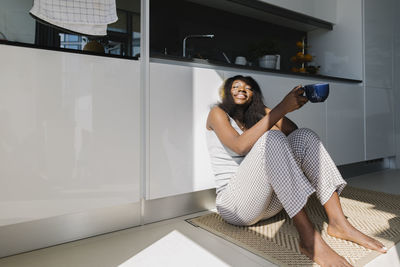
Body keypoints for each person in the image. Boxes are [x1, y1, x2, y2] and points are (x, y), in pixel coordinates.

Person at [205, 75, 387, 267]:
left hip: (268, 206)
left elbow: (293, 132)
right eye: (236, 86)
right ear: (226, 92)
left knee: (305, 136)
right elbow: (239, 146)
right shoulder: (217, 113)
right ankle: (309, 239)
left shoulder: (257, 117)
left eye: (248, 88)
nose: (242, 89)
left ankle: (339, 223)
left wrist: (264, 110)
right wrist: (280, 108)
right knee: (272, 139)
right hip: (236, 207)